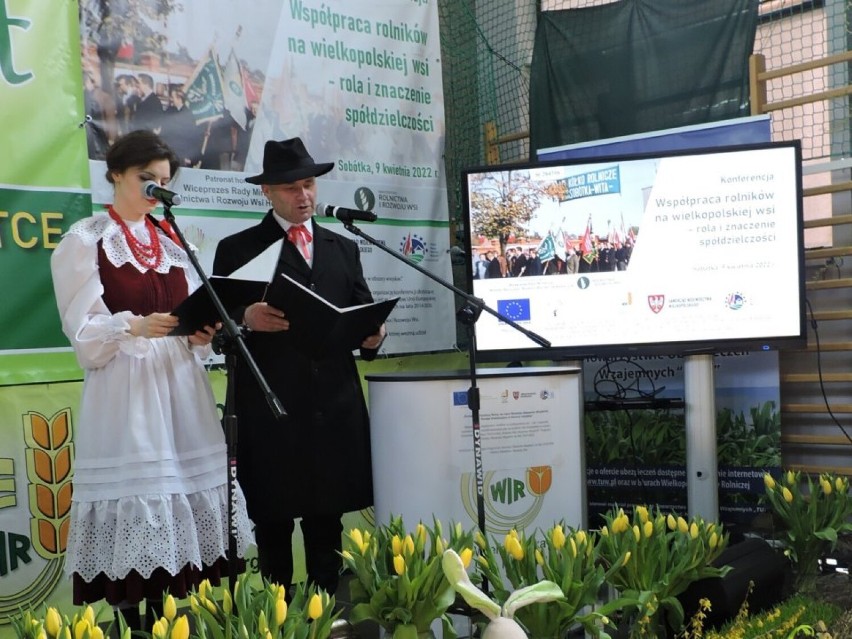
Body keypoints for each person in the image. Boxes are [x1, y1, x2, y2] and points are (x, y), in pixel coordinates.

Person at [50, 130, 254, 630]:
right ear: (116, 173)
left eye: (163, 181)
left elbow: (188, 320)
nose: (155, 189)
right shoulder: (86, 239)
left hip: (180, 386)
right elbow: (83, 334)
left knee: (185, 519)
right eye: (146, 178)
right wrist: (132, 325)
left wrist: (200, 331)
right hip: (127, 385)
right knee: (139, 510)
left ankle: (176, 621)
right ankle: (133, 623)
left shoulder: (173, 242)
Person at [212, 137, 386, 596]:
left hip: (332, 404)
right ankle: (279, 618)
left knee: (327, 525)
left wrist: (374, 337)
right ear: (267, 192)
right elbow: (216, 330)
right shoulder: (238, 249)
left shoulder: (343, 247)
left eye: (308, 184)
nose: (303, 195)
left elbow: (361, 313)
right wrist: (244, 318)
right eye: (291, 188)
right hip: (272, 409)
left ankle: (326, 612)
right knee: (273, 525)